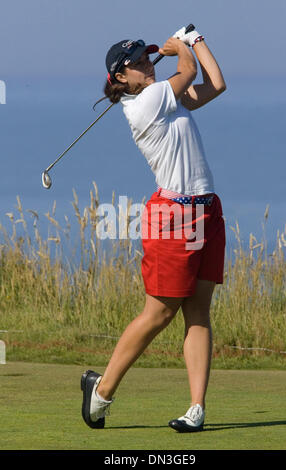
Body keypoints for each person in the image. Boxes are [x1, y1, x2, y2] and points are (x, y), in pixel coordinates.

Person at [81, 25, 226, 433]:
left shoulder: (168, 101)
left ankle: (196, 409)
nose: (148, 64)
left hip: (207, 209)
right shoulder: (144, 104)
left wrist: (196, 41)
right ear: (121, 78)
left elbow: (217, 83)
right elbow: (189, 72)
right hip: (172, 215)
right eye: (138, 62)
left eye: (148, 57)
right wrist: (182, 48)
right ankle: (102, 391)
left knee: (198, 311)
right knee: (160, 312)